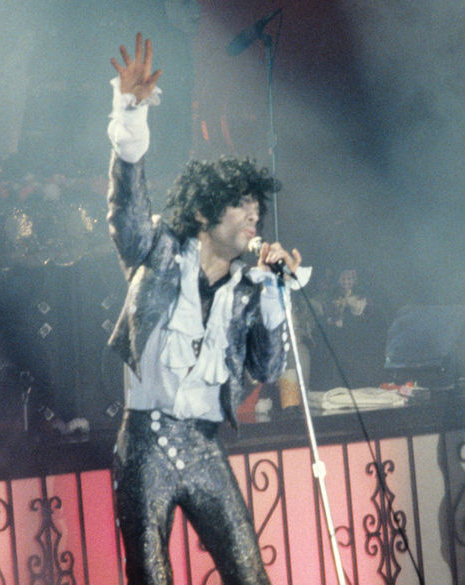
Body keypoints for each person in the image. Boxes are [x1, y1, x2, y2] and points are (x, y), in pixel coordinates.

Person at [105, 33, 305, 585]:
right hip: (145, 442)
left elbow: (267, 370)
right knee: (150, 575)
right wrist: (131, 113)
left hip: (204, 444)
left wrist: (272, 293)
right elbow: (127, 208)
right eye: (241, 205)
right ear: (205, 212)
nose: (252, 218)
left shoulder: (247, 290)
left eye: (256, 209)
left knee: (249, 573)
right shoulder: (161, 254)